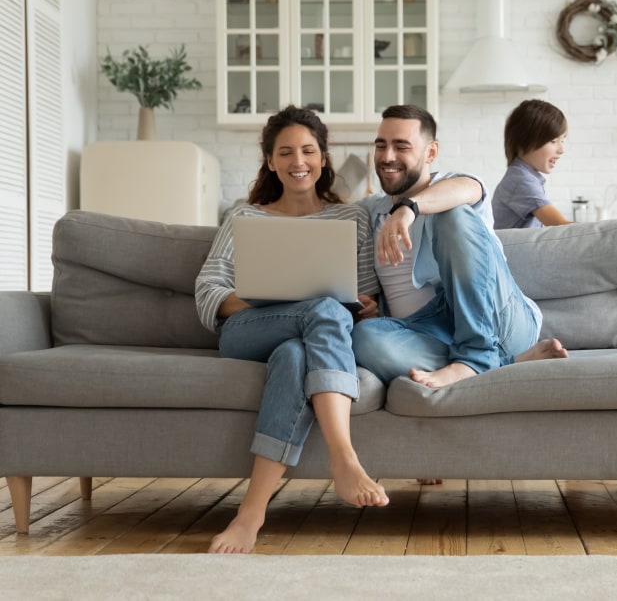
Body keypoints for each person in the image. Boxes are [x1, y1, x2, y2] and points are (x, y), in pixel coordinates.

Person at [195, 105, 390, 554]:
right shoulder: (246, 219)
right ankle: (344, 458)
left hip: (306, 339)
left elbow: (364, 293)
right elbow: (208, 288)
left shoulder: (352, 219)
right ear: (270, 161)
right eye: (285, 152)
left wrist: (367, 304)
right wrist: (273, 297)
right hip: (248, 329)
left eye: (308, 150)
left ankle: (251, 513)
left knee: (295, 356)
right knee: (321, 309)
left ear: (323, 158)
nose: (297, 161)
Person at [351, 104, 568, 390]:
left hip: (498, 318)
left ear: (430, 153)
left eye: (401, 146)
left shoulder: (454, 185)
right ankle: (504, 362)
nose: (388, 156)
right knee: (362, 338)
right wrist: (366, 305)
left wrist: (409, 208)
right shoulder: (369, 211)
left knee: (452, 211)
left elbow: (466, 190)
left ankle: (475, 355)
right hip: (427, 330)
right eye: (381, 146)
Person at [492, 99, 572, 229]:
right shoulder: (521, 181)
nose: (561, 150)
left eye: (562, 141)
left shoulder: (523, 177)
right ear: (525, 141)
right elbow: (561, 226)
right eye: (553, 141)